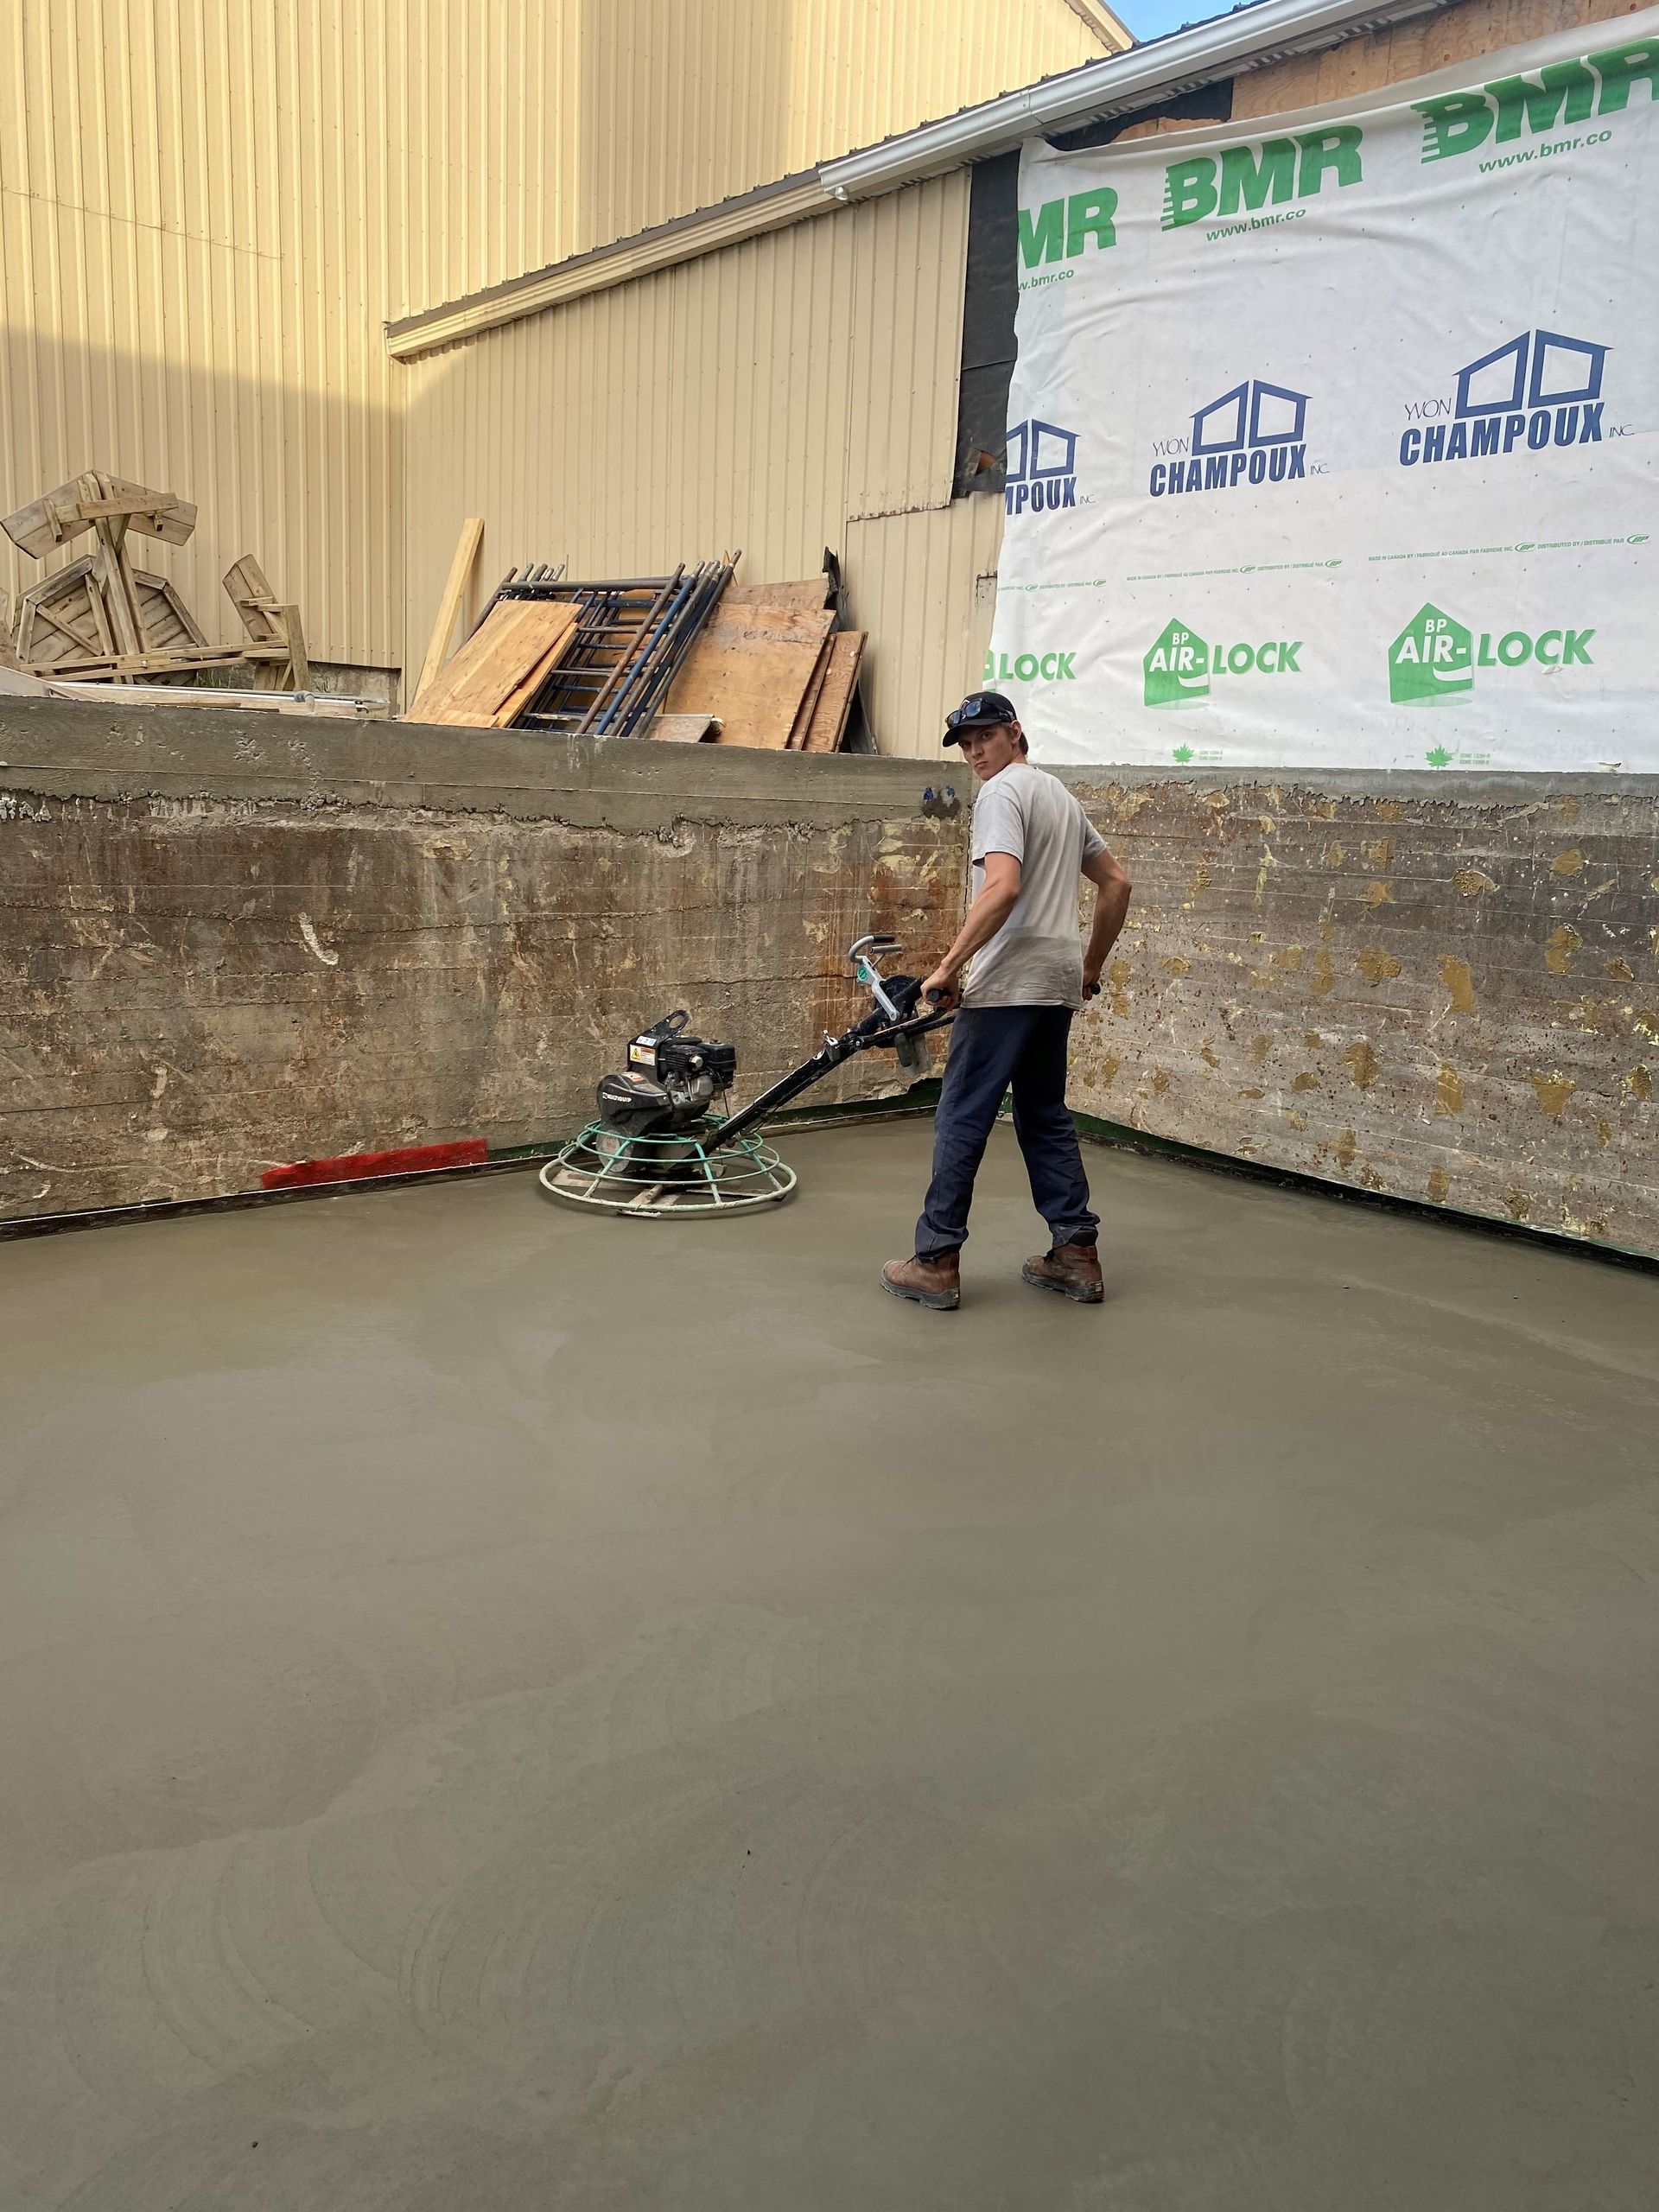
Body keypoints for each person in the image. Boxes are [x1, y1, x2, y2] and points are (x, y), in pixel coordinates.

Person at [882, 690, 1132, 1312]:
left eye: (985, 739)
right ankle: (1076, 1254)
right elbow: (1117, 884)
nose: (975, 755)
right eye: (966, 746)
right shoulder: (1061, 798)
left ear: (1015, 732)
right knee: (1044, 1114)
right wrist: (1089, 967)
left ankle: (935, 1261)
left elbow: (1002, 886)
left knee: (962, 1113)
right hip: (1054, 979)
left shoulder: (1002, 794)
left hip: (1009, 980)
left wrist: (947, 966)